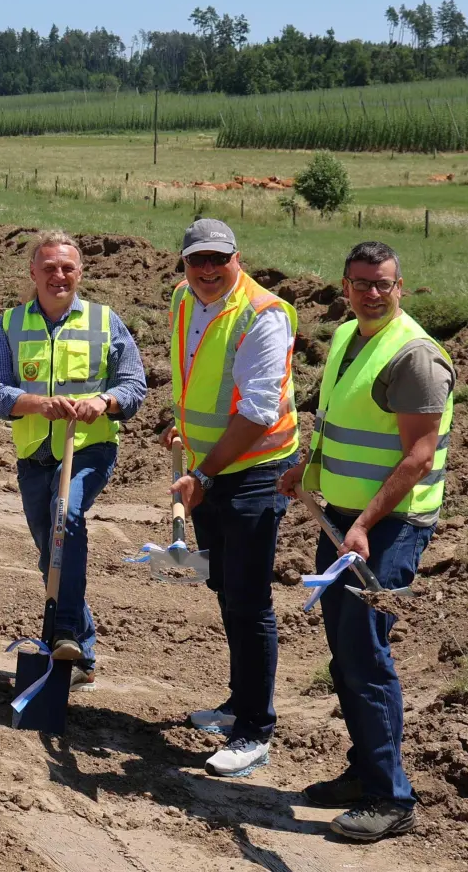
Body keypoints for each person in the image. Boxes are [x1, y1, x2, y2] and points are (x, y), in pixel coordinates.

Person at [280, 241, 453, 841]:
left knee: (366, 655)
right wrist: (306, 466)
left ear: (400, 284)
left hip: (389, 525)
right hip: (345, 518)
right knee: (346, 650)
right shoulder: (351, 338)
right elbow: (333, 420)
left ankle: (391, 797)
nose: (370, 293)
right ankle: (363, 773)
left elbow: (419, 456)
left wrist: (365, 525)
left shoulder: (414, 357)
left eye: (381, 283)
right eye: (359, 283)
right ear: (345, 286)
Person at [163, 218, 299, 777]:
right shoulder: (183, 299)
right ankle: (239, 703)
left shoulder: (263, 314)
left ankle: (255, 730)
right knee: (224, 586)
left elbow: (257, 412)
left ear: (237, 257)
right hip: (209, 465)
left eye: (219, 259)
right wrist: (182, 433)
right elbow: (195, 376)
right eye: (198, 261)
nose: (208, 270)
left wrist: (207, 476)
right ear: (185, 265)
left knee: (249, 599)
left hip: (252, 472)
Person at [0, 232, 147, 691]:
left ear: (80, 273)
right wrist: (38, 403)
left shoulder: (105, 321)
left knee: (65, 516)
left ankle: (64, 633)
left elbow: (134, 384)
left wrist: (105, 401)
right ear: (33, 273)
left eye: (68, 268)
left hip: (89, 450)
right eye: (49, 268)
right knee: (49, 551)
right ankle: (81, 655)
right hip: (35, 454)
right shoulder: (11, 324)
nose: (59, 276)